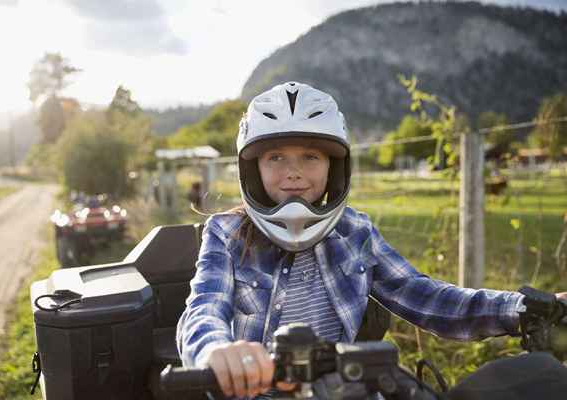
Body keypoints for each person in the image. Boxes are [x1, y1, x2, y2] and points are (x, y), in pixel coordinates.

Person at [176, 82, 567, 399]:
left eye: (311, 156)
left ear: (335, 167)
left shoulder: (355, 232)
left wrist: (524, 307)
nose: (293, 172)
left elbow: (424, 296)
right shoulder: (224, 234)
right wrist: (216, 352)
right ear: (252, 169)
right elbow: (203, 309)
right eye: (275, 157)